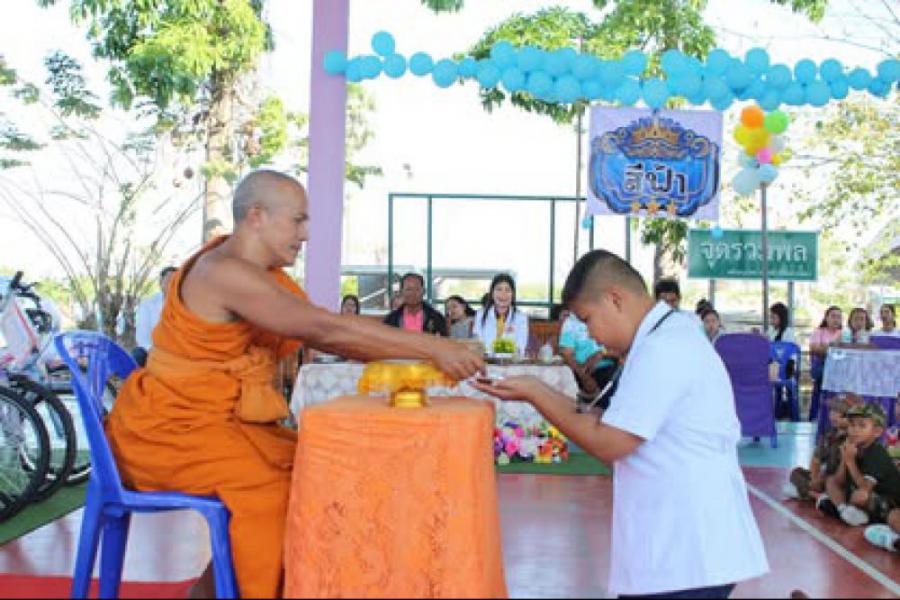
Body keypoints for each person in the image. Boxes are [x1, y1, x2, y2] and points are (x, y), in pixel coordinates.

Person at [105, 170, 483, 599]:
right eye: (298, 220)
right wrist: (432, 348)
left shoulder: (262, 275)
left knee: (320, 465)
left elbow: (331, 329)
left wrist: (427, 350)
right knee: (274, 491)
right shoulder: (223, 272)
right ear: (257, 216)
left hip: (219, 426)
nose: (305, 234)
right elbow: (325, 330)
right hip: (169, 432)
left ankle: (217, 591)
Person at [473, 250, 768, 599]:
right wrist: (533, 389)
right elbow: (605, 418)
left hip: (687, 553)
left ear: (615, 299)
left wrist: (536, 392)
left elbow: (608, 440)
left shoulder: (664, 347)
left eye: (588, 320)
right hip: (680, 550)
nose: (589, 334)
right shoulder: (663, 337)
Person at [817, 403, 900, 527]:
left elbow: (865, 487)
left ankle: (850, 513)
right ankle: (843, 510)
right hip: (858, 494)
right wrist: (844, 460)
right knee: (830, 481)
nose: (855, 430)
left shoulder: (877, 453)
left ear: (877, 432)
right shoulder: (853, 447)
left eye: (862, 426)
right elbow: (839, 481)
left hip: (886, 501)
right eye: (852, 425)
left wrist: (850, 462)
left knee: (860, 496)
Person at [783, 395, 855, 501]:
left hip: (842, 480)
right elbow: (816, 459)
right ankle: (817, 494)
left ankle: (811, 494)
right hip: (826, 477)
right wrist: (815, 478)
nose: (833, 416)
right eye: (832, 411)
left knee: (833, 483)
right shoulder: (830, 434)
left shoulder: (854, 438)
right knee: (796, 472)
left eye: (839, 412)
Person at [558, 312, 619, 411]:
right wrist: (585, 378)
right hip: (582, 372)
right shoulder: (571, 322)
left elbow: (623, 350)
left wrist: (601, 354)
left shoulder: (609, 316)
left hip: (610, 370)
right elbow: (567, 354)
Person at [473, 274, 529, 356]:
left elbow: (520, 348)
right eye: (499, 289)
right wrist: (506, 347)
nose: (503, 294)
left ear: (513, 294)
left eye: (507, 290)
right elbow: (478, 345)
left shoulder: (521, 318)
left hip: (510, 362)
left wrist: (492, 348)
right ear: (492, 294)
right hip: (486, 361)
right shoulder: (480, 314)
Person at [132, 266, 177, 367]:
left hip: (178, 353)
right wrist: (158, 354)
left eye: (176, 281)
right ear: (160, 282)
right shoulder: (148, 304)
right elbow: (142, 338)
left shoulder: (187, 305)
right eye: (169, 280)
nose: (172, 284)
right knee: (137, 355)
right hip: (152, 351)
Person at [383, 273, 448, 336]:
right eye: (408, 289)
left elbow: (444, 341)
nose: (413, 293)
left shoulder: (437, 318)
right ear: (402, 291)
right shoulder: (391, 319)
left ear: (424, 291)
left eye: (417, 289)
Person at [808, 306, 843, 421]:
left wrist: (826, 347)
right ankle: (815, 417)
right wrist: (833, 347)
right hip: (822, 366)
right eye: (833, 316)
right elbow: (814, 348)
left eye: (839, 317)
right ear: (826, 318)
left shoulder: (843, 333)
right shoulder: (819, 332)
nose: (836, 319)